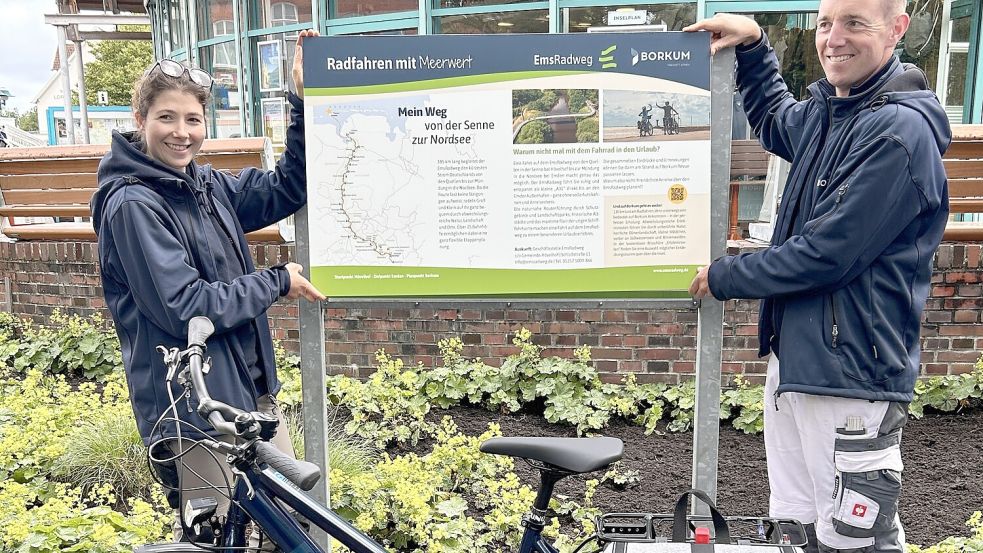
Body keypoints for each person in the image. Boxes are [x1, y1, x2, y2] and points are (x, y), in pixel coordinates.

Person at [685, 2, 950, 553]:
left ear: (897, 29)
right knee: (800, 532)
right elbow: (777, 118)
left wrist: (727, 275)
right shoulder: (836, 112)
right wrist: (754, 46)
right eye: (826, 23)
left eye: (856, 22)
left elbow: (828, 254)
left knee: (856, 542)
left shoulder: (897, 133)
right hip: (800, 367)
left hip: (850, 377)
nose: (834, 39)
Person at [91, 30, 325, 542]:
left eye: (192, 119)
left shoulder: (207, 186)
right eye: (166, 118)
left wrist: (300, 102)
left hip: (248, 398)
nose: (182, 132)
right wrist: (277, 280)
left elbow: (288, 185)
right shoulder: (133, 206)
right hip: (195, 411)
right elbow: (185, 307)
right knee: (224, 536)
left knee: (287, 527)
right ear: (140, 121)